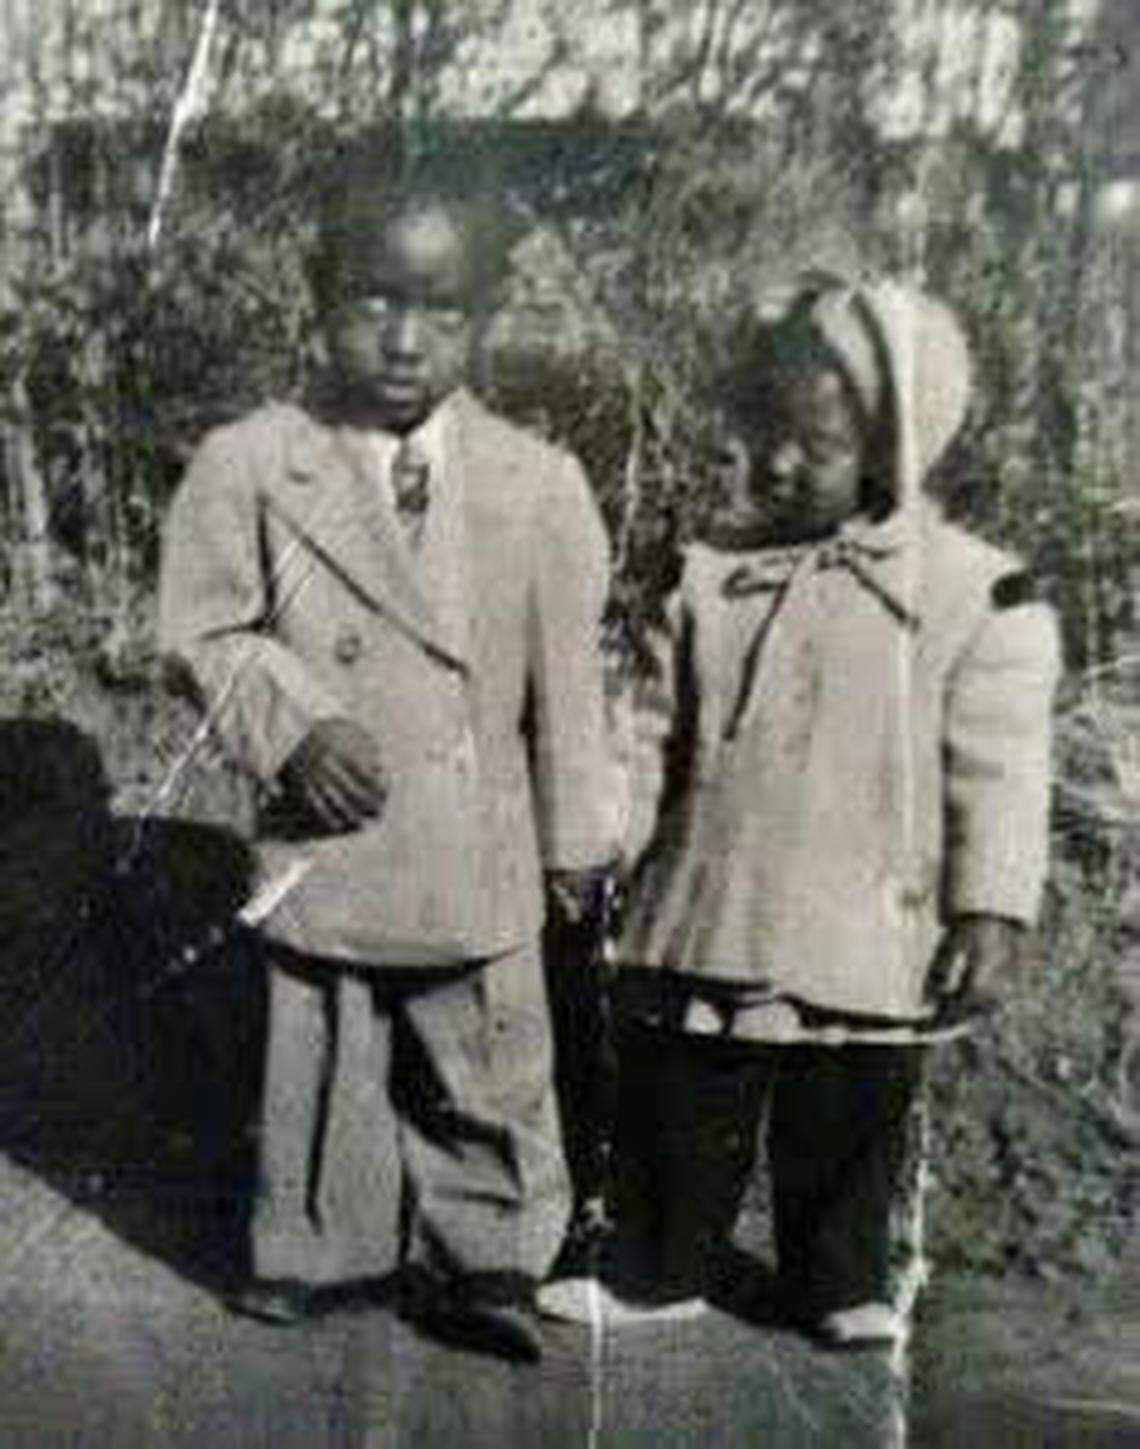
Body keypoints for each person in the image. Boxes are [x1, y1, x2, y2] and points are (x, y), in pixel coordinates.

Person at [539, 275, 1061, 1348]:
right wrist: (599, 839)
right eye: (767, 429)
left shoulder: (974, 595)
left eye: (813, 445)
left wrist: (991, 907)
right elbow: (647, 731)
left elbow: (1001, 766)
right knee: (687, 1088)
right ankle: (658, 1262)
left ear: (895, 454)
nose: (776, 461)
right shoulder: (712, 578)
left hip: (871, 915)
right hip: (712, 897)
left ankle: (838, 1277)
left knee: (853, 1099)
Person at [157, 148, 615, 1362]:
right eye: (373, 300)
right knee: (323, 1043)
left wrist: (578, 839)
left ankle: (492, 1256)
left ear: (484, 318)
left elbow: (569, 685)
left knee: (492, 1057)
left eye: (443, 311)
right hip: (335, 824)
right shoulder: (251, 464)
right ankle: (316, 1243)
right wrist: (295, 725)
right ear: (318, 298)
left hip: (477, 833)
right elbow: (201, 631)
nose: (406, 340)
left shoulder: (538, 483)